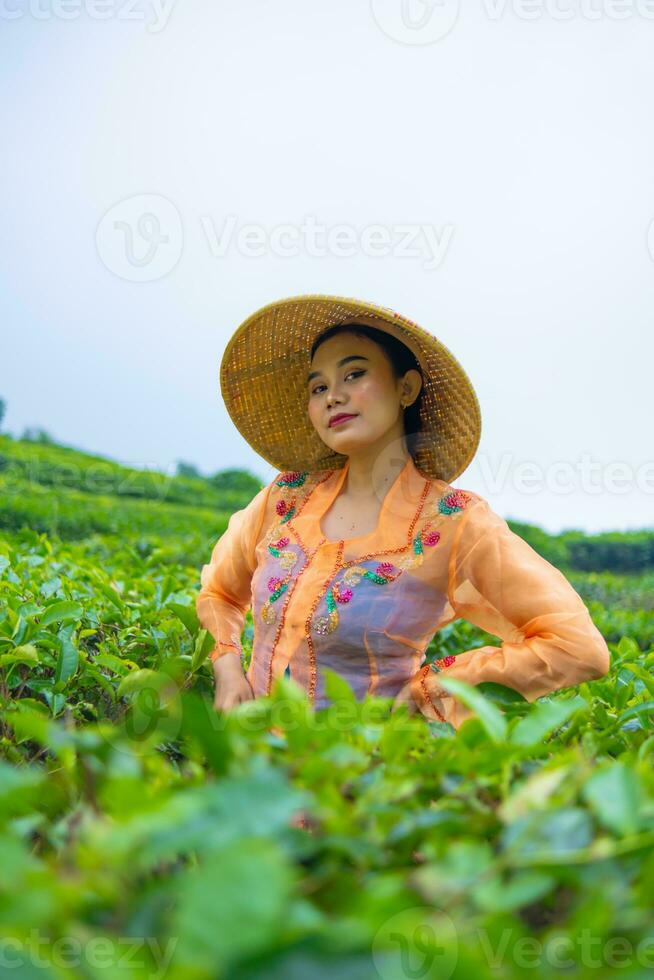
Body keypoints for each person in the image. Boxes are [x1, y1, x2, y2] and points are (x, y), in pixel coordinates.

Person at [196, 294, 611, 729]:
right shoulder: (286, 498)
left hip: (365, 778)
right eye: (318, 387)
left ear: (406, 388)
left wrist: (430, 689)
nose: (333, 397)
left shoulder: (452, 522)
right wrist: (226, 668)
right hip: (246, 763)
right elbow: (220, 594)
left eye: (354, 374)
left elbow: (576, 646)